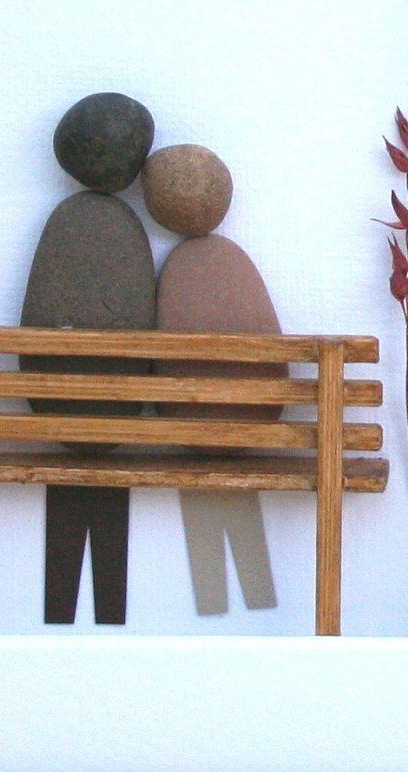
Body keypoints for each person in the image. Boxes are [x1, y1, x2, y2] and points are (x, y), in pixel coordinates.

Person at [26, 91, 158, 625]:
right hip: (105, 432)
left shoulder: (82, 227)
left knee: (80, 594)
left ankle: (77, 623)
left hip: (68, 428)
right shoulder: (102, 230)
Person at [141, 142, 284, 615]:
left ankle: (228, 607)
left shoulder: (198, 268)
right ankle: (234, 608)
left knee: (224, 564)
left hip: (205, 435)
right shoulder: (214, 265)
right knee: (233, 571)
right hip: (237, 434)